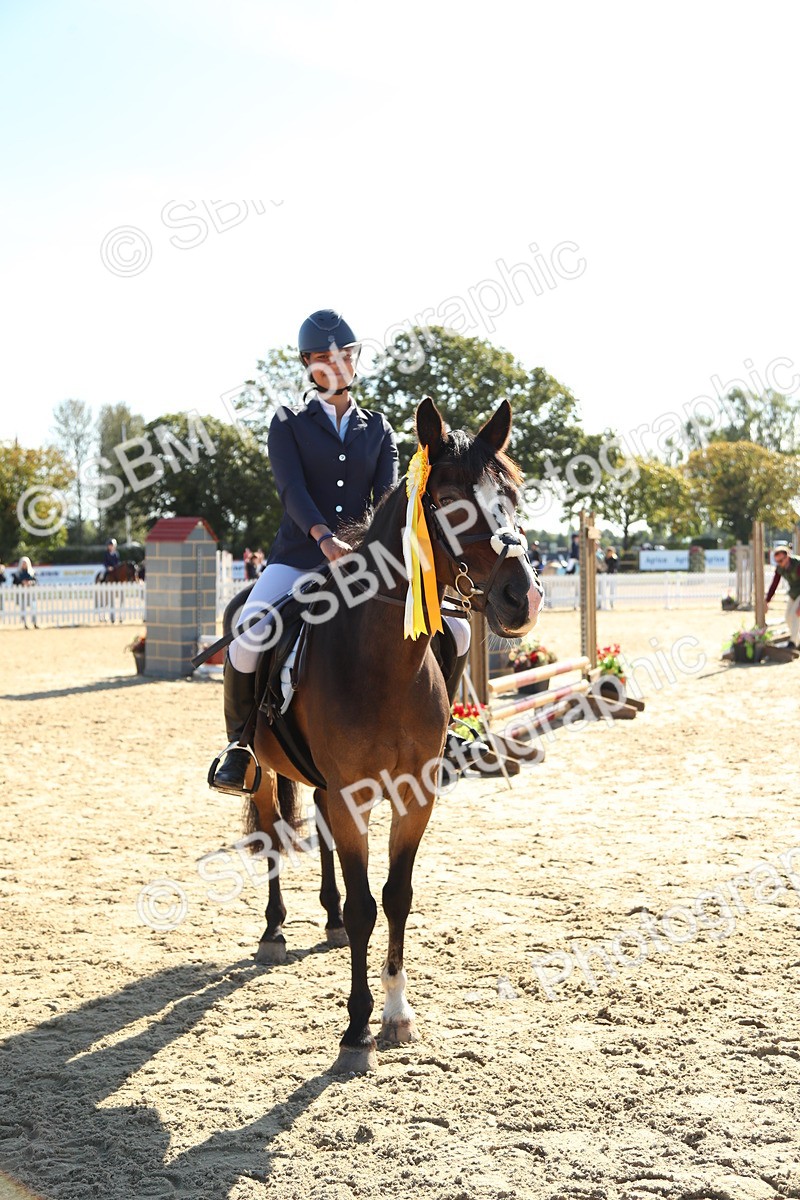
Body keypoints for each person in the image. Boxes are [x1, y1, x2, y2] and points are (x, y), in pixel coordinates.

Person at [211, 309, 495, 794]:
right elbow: (291, 491)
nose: (334, 364)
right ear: (307, 364)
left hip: (366, 563)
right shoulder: (287, 423)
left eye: (343, 355)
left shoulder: (378, 428)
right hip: (299, 556)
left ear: (355, 359)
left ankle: (443, 733)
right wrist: (325, 538)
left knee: (460, 630)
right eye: (323, 357)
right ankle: (240, 748)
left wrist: (371, 549)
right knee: (249, 637)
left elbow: (387, 499)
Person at [765, 546, 800, 648]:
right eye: (777, 561)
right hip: (793, 593)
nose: (779, 563)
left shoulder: (798, 564)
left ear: (787, 556)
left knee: (795, 614)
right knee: (787, 617)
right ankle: (798, 641)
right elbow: (774, 584)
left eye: (781, 560)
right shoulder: (780, 568)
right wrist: (767, 600)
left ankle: (792, 642)